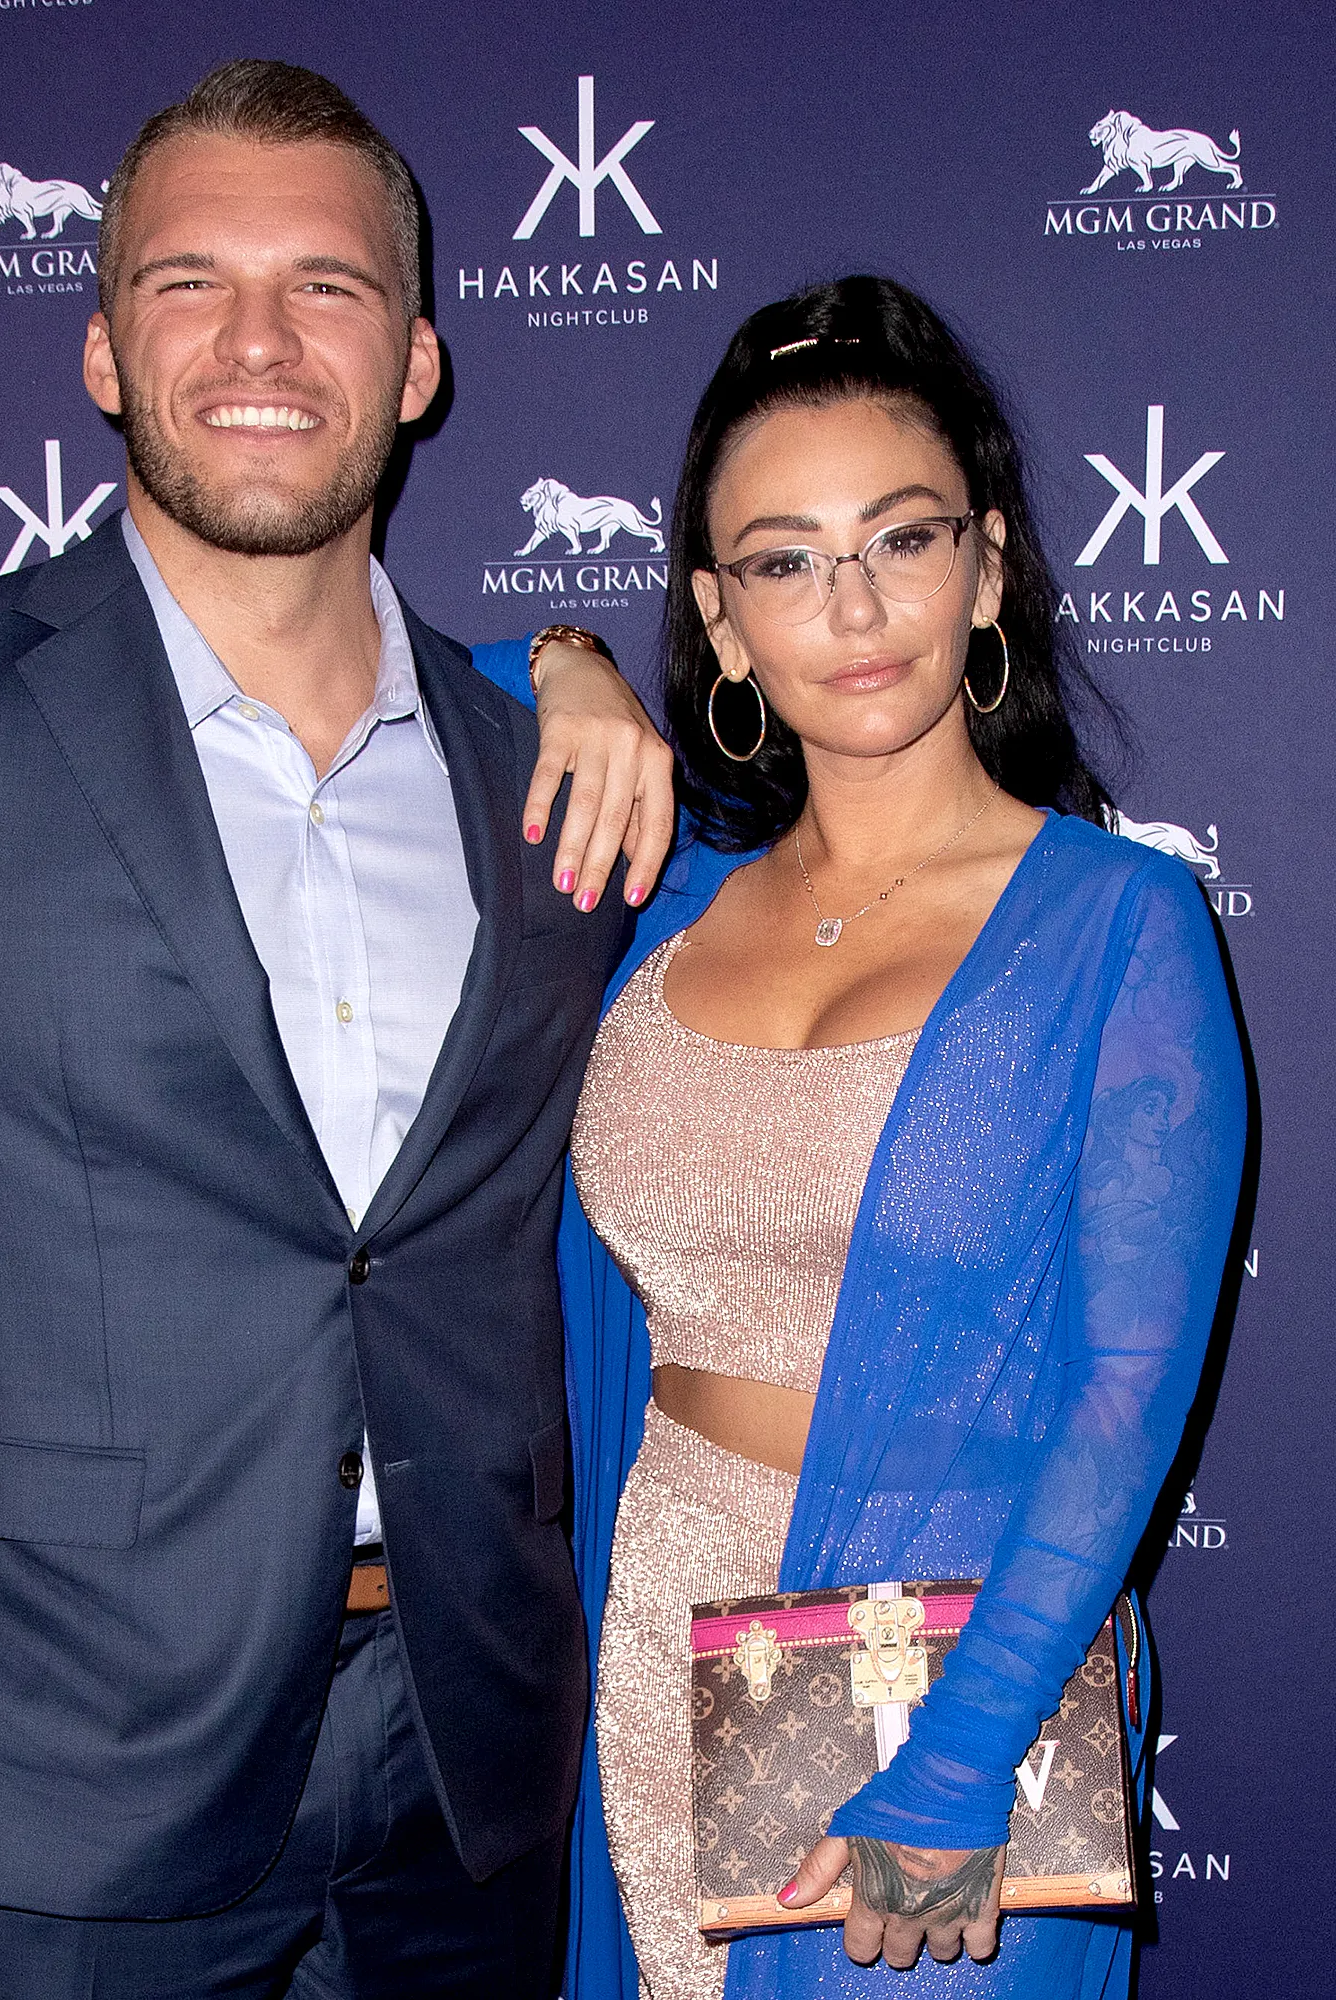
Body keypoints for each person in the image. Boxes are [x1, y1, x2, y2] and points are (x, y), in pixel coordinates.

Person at [0, 60, 675, 2000]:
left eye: (326, 285)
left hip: (473, 1757)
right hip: (51, 1772)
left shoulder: (546, 777)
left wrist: (574, 654)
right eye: (191, 282)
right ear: (104, 350)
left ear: (418, 363)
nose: (259, 340)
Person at [468, 276, 1245, 1999]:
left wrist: (961, 1758)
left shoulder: (1113, 922)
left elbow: (1126, 1389)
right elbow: (404, 678)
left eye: (901, 538)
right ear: (722, 620)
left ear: (986, 569)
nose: (852, 604)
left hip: (954, 1661)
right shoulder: (662, 895)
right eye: (782, 560)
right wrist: (567, 665)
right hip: (656, 1612)